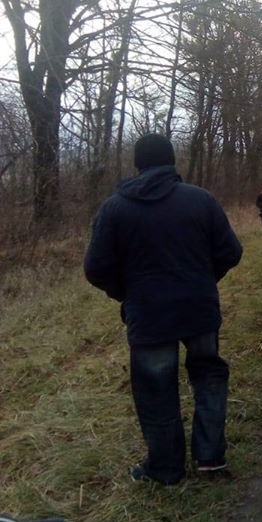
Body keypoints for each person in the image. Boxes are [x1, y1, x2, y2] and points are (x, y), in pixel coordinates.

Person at [83, 133, 243, 486]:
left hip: (148, 314)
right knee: (208, 376)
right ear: (172, 163)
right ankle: (210, 458)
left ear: (137, 165)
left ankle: (166, 470)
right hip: (199, 309)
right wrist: (203, 279)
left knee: (156, 390)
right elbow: (231, 252)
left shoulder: (115, 208)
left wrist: (127, 293)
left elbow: (95, 269)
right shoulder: (201, 200)